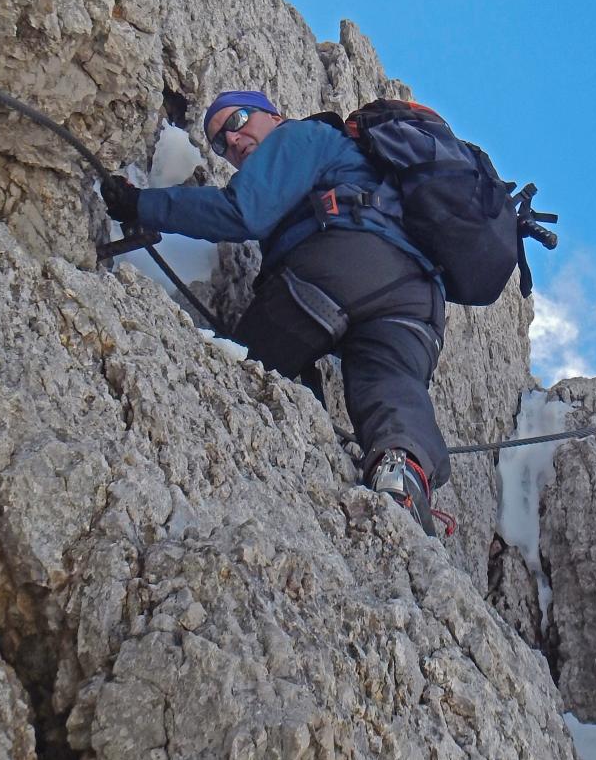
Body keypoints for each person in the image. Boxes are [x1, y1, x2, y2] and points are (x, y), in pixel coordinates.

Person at [99, 89, 449, 535]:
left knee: (243, 379)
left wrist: (140, 204)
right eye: (220, 143)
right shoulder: (359, 164)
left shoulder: (299, 136)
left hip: (344, 265)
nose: (232, 139)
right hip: (418, 301)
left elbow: (241, 211)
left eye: (238, 118)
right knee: (391, 389)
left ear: (274, 114)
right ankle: (401, 478)